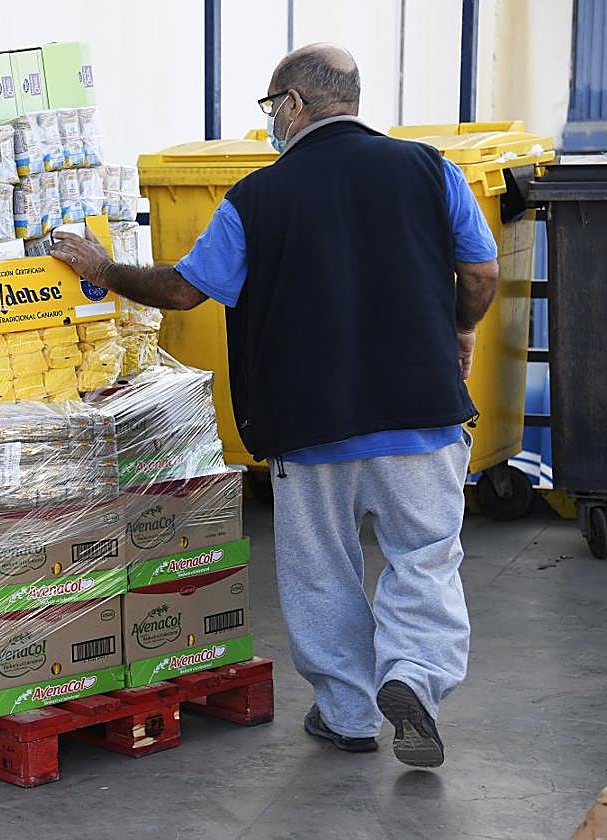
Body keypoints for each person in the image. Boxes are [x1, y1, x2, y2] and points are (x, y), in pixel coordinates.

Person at [50, 43, 499, 769]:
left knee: (323, 567)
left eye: (271, 108)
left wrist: (101, 269)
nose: (271, 123)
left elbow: (184, 290)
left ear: (294, 104)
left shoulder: (257, 198)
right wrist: (461, 330)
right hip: (422, 410)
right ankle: (414, 676)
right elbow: (479, 271)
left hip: (308, 418)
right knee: (425, 556)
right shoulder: (430, 169)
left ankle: (347, 714)